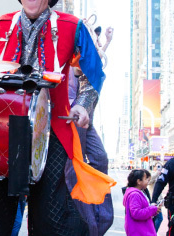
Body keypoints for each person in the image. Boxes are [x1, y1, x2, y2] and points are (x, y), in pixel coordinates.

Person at [0, 0, 109, 235]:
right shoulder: (0, 25)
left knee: (53, 218)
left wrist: (83, 104)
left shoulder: (74, 26)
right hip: (0, 127)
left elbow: (94, 77)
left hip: (53, 130)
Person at [64, 24, 114, 236]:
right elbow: (84, 63)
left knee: (100, 158)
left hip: (88, 118)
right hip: (75, 117)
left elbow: (95, 61)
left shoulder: (91, 61)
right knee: (73, 167)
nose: (97, 41)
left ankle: (97, 212)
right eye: (94, 38)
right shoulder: (75, 62)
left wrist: (108, 43)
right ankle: (84, 214)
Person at [123, 169, 159, 236]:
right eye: (146, 179)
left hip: (140, 230)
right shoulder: (135, 194)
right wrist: (152, 209)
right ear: (139, 181)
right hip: (140, 231)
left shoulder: (137, 192)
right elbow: (136, 213)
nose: (148, 182)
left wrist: (153, 209)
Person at [148, 163, 163, 232]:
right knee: (159, 218)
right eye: (157, 166)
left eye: (160, 166)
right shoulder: (153, 175)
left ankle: (152, 231)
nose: (159, 168)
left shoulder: (161, 176)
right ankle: (153, 232)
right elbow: (150, 181)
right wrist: (157, 172)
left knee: (154, 218)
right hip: (153, 200)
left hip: (158, 201)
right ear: (154, 167)